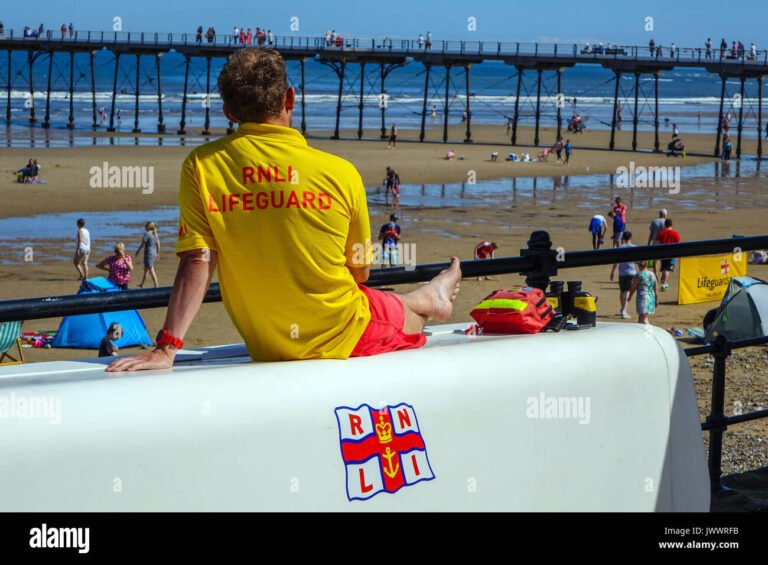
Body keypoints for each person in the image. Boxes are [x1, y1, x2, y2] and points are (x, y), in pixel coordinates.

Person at [107, 48, 462, 372]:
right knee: (415, 323)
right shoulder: (340, 172)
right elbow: (361, 273)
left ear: (229, 112)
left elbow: (198, 260)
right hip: (344, 334)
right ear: (290, 98)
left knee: (383, 304)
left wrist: (167, 348)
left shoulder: (202, 165)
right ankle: (430, 298)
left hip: (269, 342)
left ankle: (427, 295)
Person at [609, 231, 636, 319]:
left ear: (623, 238)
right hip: (631, 272)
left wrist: (612, 272)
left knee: (622, 292)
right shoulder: (634, 248)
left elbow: (616, 261)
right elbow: (639, 261)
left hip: (622, 273)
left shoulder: (620, 247)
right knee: (627, 292)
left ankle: (623, 309)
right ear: (630, 238)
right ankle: (624, 310)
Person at [657, 218, 681, 291]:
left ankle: (664, 281)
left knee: (664, 268)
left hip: (662, 252)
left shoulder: (661, 232)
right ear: (671, 224)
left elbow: (658, 242)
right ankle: (665, 284)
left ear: (665, 224)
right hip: (671, 253)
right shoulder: (675, 233)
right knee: (667, 269)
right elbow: (678, 243)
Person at [136, 221, 160, 288]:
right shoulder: (155, 234)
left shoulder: (146, 234)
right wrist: (157, 253)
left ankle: (156, 285)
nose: (144, 228)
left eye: (145, 226)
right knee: (146, 270)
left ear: (147, 227)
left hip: (148, 254)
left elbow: (142, 245)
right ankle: (142, 284)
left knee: (151, 270)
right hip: (154, 253)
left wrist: (138, 251)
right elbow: (158, 244)